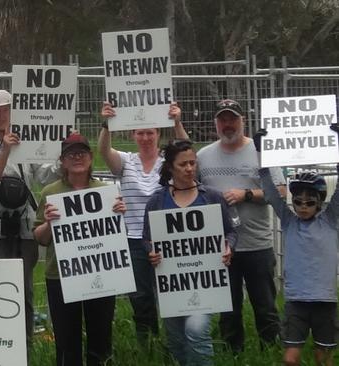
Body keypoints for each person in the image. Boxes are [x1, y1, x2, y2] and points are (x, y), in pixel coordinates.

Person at [0, 89, 59, 344]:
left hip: (24, 228)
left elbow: (44, 175)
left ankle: (24, 347)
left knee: (24, 290)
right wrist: (5, 152)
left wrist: (62, 158)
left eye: (5, 110)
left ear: (13, 112)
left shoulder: (27, 137)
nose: (0, 115)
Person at [197, 99, 284, 352]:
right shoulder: (203, 156)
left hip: (257, 244)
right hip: (221, 248)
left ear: (242, 121)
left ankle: (270, 352)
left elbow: (280, 191)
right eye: (222, 119)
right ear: (216, 123)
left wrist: (245, 194)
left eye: (232, 119)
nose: (227, 124)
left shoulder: (260, 152)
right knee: (228, 310)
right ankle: (232, 355)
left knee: (265, 307)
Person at [98, 101, 188, 344]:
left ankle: (176, 344)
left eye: (150, 132)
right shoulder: (126, 162)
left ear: (159, 134)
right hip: (135, 239)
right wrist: (107, 125)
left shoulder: (168, 163)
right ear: (133, 135)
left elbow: (187, 153)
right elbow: (104, 152)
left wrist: (177, 121)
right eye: (141, 133)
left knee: (174, 294)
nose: (146, 137)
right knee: (141, 298)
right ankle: (147, 346)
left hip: (168, 238)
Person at [33, 133, 126, 366]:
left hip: (100, 273)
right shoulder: (50, 192)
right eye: (71, 154)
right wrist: (48, 224)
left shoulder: (107, 191)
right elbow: (40, 238)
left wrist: (119, 216)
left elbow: (117, 235)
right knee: (66, 341)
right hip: (61, 275)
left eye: (82, 153)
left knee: (101, 338)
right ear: (62, 161)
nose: (77, 158)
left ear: (91, 157)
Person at [143, 140, 236, 366]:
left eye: (193, 163)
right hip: (171, 283)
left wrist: (228, 247)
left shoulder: (212, 197)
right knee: (175, 339)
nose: (189, 168)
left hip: (204, 282)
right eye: (183, 164)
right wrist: (151, 252)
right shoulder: (157, 200)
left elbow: (231, 231)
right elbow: (146, 237)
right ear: (170, 167)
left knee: (196, 331)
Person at [254, 129, 338, 366]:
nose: (302, 206)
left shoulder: (330, 220)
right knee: (290, 359)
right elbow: (270, 191)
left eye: (309, 202)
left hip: (325, 302)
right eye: (298, 201)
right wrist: (262, 152)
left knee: (324, 359)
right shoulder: (289, 221)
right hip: (296, 302)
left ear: (320, 202)